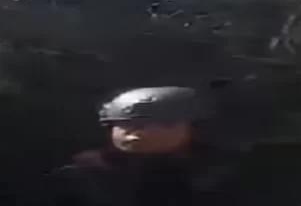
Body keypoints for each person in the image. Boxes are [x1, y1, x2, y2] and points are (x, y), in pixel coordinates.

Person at [35, 86, 252, 206]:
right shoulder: (83, 174)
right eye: (126, 124)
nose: (136, 132)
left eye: (159, 124)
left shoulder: (211, 172)